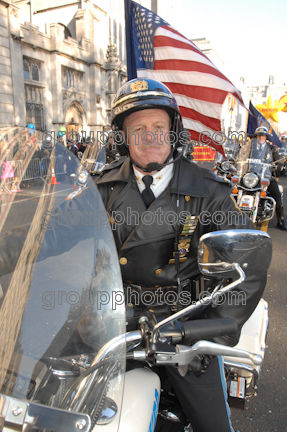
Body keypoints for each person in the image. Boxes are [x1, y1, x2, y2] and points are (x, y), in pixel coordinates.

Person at [94, 78, 268, 432]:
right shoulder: (100, 188)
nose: (149, 137)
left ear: (173, 131)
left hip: (182, 326)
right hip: (113, 323)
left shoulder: (208, 190)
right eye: (137, 128)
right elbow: (56, 235)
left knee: (214, 425)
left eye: (158, 127)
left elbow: (247, 261)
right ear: (123, 138)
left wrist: (211, 329)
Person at [253, 127, 287, 230]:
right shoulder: (250, 148)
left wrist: (279, 164)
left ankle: (280, 221)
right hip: (252, 176)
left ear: (266, 137)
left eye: (262, 135)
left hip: (266, 176)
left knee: (277, 196)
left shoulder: (272, 148)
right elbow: (241, 157)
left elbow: (279, 160)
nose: (260, 137)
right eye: (259, 135)